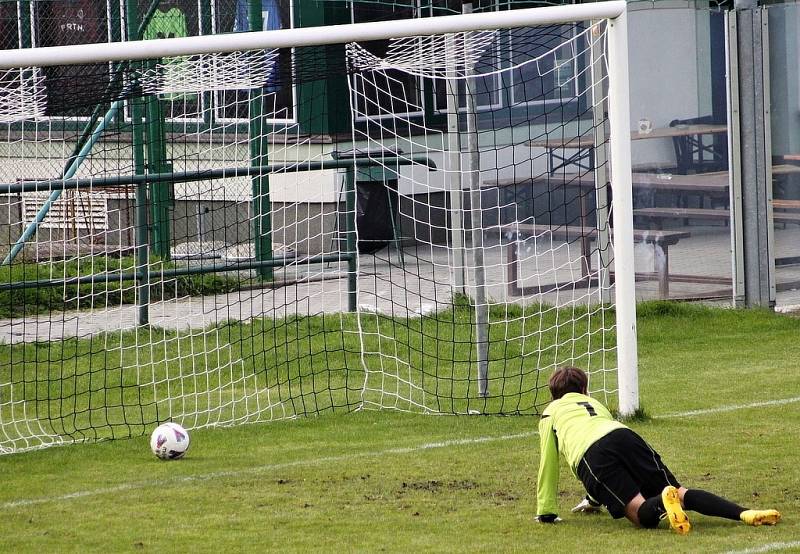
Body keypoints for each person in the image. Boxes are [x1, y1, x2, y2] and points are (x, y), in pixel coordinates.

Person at [535, 366, 781, 534]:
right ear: (584, 390)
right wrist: (593, 500)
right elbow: (609, 444)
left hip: (591, 452)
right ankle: (745, 514)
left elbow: (549, 463)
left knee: (639, 514)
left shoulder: (550, 412)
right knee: (679, 491)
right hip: (625, 436)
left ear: (553, 395)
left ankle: (662, 503)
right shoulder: (595, 403)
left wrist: (546, 512)